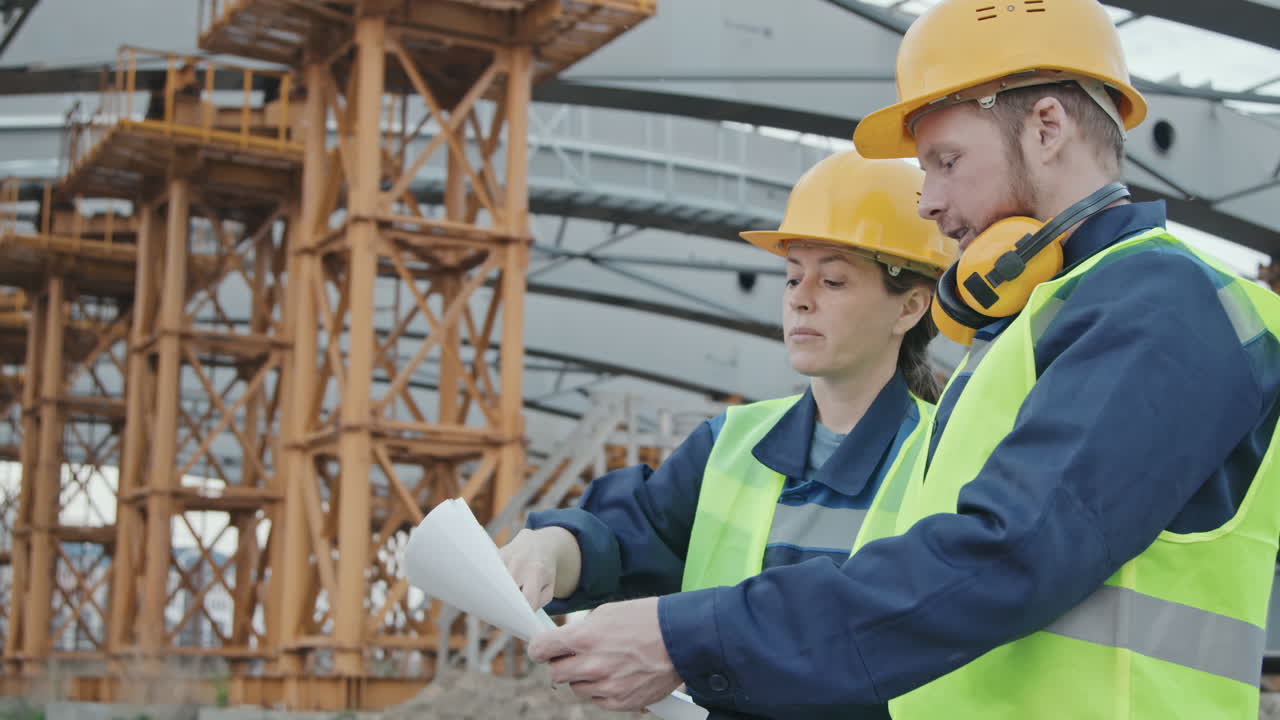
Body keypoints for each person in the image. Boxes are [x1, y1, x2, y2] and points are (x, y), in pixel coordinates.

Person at [523, 1, 1280, 718]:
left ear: (1047, 125)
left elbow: (1009, 553)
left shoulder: (1161, 305)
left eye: (946, 161)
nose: (927, 200)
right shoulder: (1045, 321)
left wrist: (686, 638)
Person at [500, 149, 956, 717]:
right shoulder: (729, 443)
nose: (800, 296)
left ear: (910, 306)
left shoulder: (950, 454)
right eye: (792, 275)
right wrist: (551, 549)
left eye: (834, 279)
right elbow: (629, 533)